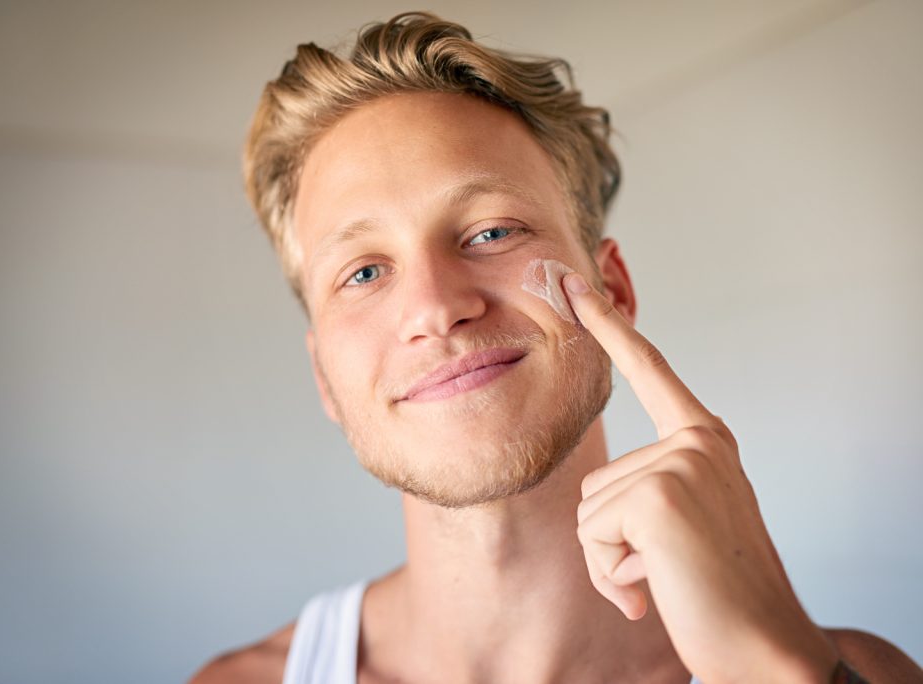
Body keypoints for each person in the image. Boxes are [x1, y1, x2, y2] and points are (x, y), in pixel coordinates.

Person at [192, 11, 923, 683]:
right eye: (364, 271)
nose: (437, 308)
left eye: (491, 232)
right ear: (324, 374)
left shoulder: (839, 671)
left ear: (612, 290)